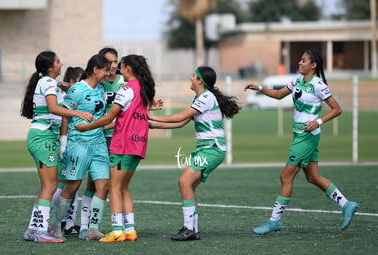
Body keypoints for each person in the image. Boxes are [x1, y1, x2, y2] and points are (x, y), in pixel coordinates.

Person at [244, 49, 359, 235]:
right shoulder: (297, 81)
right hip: (300, 135)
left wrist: (317, 122)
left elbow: (337, 109)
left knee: (285, 176)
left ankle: (274, 221)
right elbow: (279, 95)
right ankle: (347, 204)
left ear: (313, 65)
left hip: (307, 137)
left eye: (303, 60)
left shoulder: (318, 85)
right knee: (313, 177)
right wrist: (259, 88)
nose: (299, 63)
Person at [149, 66, 240, 241]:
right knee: (188, 186)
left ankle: (189, 229)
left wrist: (150, 116)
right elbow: (180, 123)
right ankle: (193, 230)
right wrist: (153, 125)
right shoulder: (200, 97)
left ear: (201, 81)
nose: (191, 77)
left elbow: (178, 117)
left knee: (184, 181)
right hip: (207, 149)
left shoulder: (206, 97)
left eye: (194, 76)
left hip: (212, 149)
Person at [75, 54, 157, 242]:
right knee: (124, 188)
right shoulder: (143, 89)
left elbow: (109, 117)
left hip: (123, 144)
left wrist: (86, 126)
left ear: (128, 68)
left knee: (114, 187)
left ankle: (117, 230)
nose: (118, 70)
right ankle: (129, 230)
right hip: (139, 144)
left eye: (121, 66)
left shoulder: (126, 89)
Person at [20, 50, 93, 243]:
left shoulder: (48, 82)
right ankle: (42, 233)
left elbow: (57, 109)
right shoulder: (48, 82)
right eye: (58, 62)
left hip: (45, 137)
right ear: (50, 67)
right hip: (42, 137)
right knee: (50, 185)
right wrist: (78, 113)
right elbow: (53, 108)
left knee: (50, 185)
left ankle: (33, 230)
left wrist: (62, 142)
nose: (61, 64)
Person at [51, 54, 111, 241]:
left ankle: (92, 229)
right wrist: (63, 142)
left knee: (103, 185)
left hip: (99, 143)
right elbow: (65, 116)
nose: (108, 74)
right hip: (79, 144)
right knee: (73, 186)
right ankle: (56, 224)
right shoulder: (76, 90)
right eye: (105, 70)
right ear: (95, 69)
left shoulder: (101, 88)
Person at [51, 66, 84, 236]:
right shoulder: (65, 99)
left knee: (75, 186)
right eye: (80, 80)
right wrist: (63, 144)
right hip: (67, 146)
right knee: (64, 185)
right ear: (71, 82)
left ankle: (69, 224)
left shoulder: (80, 96)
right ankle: (44, 212)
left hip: (77, 145)